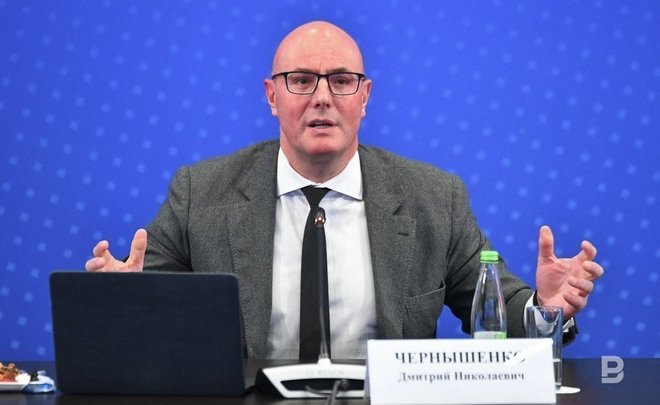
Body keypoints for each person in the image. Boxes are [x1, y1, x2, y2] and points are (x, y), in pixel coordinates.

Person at [85, 21, 604, 360]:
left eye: (341, 80)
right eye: (301, 80)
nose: (322, 98)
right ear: (271, 96)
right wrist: (124, 301)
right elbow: (151, 322)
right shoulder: (201, 194)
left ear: (365, 96)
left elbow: (495, 313)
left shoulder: (433, 198)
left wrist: (545, 308)